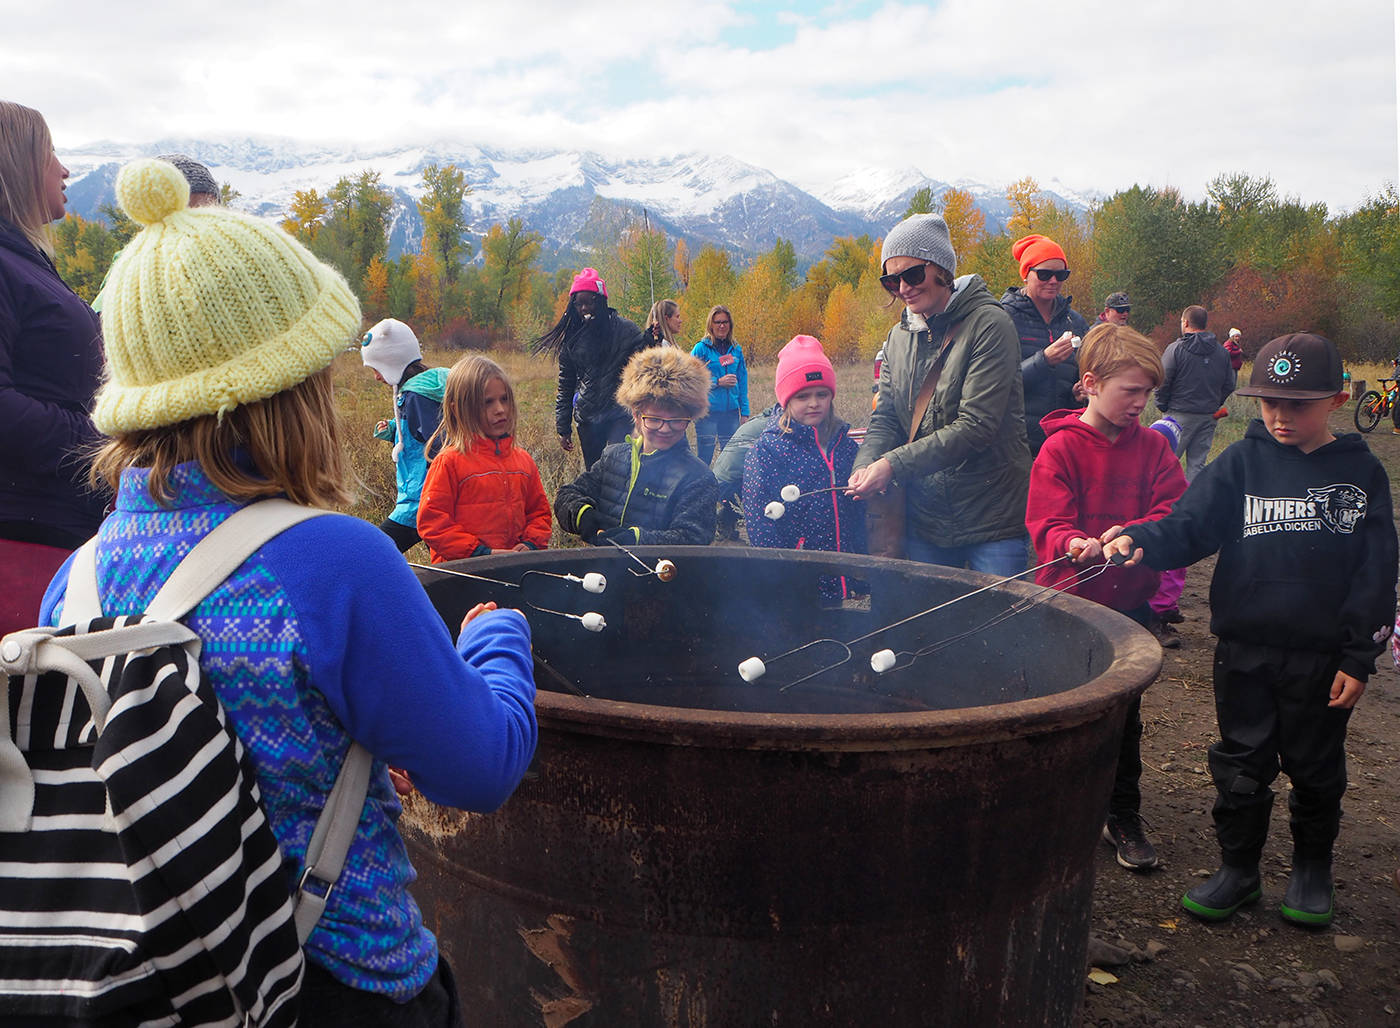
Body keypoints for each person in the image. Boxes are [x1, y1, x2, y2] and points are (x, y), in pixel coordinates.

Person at [40, 157, 538, 1022]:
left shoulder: (72, 582)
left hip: (159, 990)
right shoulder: (331, 563)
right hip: (341, 986)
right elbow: (481, 764)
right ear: (288, 388)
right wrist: (496, 640)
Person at [1104, 332, 1397, 928]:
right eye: (1269, 403)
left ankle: (1311, 870)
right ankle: (1238, 870)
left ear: (1338, 400)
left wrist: (1358, 656)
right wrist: (1143, 538)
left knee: (1317, 770)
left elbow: (1376, 571)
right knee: (1240, 766)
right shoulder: (1240, 462)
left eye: (1299, 404)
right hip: (1244, 650)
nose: (1281, 417)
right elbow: (1190, 524)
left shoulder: (1361, 472)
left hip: (1323, 660)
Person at [1025, 324, 1187, 871]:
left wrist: (1139, 537)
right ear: (1091, 384)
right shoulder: (1059, 448)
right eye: (1131, 391)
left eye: (1147, 394)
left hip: (1130, 612)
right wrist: (1070, 542)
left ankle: (1122, 813)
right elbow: (1046, 520)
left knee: (1126, 719)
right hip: (1066, 609)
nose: (1141, 404)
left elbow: (1173, 512)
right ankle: (1055, 811)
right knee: (1064, 714)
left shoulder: (1155, 450)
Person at [847, 213, 1029, 576]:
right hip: (925, 519)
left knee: (998, 626)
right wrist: (865, 465)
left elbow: (977, 426)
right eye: (891, 279)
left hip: (990, 517)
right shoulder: (898, 339)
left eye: (912, 274)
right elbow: (885, 417)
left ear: (942, 269)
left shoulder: (990, 325)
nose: (903, 288)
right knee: (931, 628)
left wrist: (892, 465)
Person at [0, 101, 105, 635]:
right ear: (16, 164)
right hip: (18, 549)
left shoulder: (23, 262)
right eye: (51, 154)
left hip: (53, 534)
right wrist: (102, 442)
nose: (64, 169)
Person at [742, 335, 865, 604]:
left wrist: (858, 567)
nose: (814, 403)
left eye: (822, 394)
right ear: (786, 399)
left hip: (839, 571)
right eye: (803, 396)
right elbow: (759, 523)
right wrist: (781, 574)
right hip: (796, 579)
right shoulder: (766, 451)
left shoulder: (844, 445)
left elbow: (856, 512)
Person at [555, 346, 717, 547]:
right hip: (603, 573)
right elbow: (566, 495)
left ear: (690, 418)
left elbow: (693, 538)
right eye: (655, 419)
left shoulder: (698, 477)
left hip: (662, 575)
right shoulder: (613, 457)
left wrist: (637, 539)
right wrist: (584, 516)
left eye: (676, 420)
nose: (665, 429)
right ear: (636, 415)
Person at [417, 354, 551, 562]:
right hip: (464, 576)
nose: (500, 410)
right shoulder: (449, 462)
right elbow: (432, 523)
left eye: (504, 399)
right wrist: (480, 554)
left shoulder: (523, 461)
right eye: (487, 403)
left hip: (515, 572)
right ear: (458, 408)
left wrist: (531, 543)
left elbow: (539, 513)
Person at [534, 267, 646, 469]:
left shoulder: (625, 330)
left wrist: (652, 340)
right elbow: (565, 384)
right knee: (594, 472)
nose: (584, 308)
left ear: (601, 300)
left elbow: (643, 362)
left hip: (619, 414)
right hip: (588, 418)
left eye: (589, 302)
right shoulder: (573, 338)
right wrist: (563, 427)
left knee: (618, 468)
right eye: (579, 304)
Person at [361, 317, 447, 553]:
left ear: (392, 362)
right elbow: (420, 435)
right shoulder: (421, 391)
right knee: (449, 565)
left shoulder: (417, 396)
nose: (377, 377)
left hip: (422, 502)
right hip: (426, 498)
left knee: (374, 553)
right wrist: (393, 430)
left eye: (377, 368)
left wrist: (438, 496)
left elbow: (439, 446)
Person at [1000, 233, 1090, 455]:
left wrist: (1079, 393)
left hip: (1064, 439)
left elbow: (1080, 376)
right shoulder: (1003, 318)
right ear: (1025, 275)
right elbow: (994, 386)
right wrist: (1044, 360)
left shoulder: (1075, 321)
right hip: (1017, 444)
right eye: (1044, 274)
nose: (1053, 281)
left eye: (1061, 275)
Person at [1157, 305, 1236, 482]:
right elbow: (1230, 384)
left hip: (1178, 414)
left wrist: (1162, 405)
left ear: (1185, 322)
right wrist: (1215, 403)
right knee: (1197, 465)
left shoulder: (1175, 349)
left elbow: (1162, 381)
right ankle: (1194, 506)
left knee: (1165, 465)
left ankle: (1165, 506)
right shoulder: (1222, 352)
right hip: (1208, 415)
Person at [690, 305, 749, 465]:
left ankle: (726, 490)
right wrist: (718, 382)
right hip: (707, 413)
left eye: (725, 322)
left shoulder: (736, 349)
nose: (721, 326)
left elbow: (743, 381)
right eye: (717, 322)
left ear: (730, 325)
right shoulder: (701, 349)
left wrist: (745, 412)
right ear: (711, 325)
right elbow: (691, 379)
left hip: (731, 413)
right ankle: (701, 488)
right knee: (704, 458)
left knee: (731, 459)